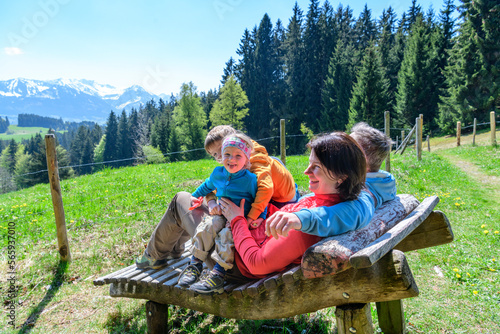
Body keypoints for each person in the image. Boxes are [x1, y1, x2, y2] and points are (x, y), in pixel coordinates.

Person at [135, 125, 297, 274]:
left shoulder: (255, 166)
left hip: (232, 257)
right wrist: (211, 200)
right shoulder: (241, 161)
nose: (221, 157)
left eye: (222, 149)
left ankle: (154, 255)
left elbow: (264, 190)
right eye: (216, 155)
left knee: (181, 199)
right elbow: (215, 185)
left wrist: (247, 218)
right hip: (249, 237)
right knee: (196, 202)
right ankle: (173, 250)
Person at [219, 132, 367, 278]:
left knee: (199, 213)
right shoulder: (323, 201)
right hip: (244, 236)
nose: (306, 171)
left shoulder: (303, 225)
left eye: (316, 167)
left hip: (232, 261)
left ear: (341, 177)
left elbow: (256, 263)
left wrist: (237, 220)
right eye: (309, 163)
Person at [265, 122, 396, 239]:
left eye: (347, 145)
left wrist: (301, 218)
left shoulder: (364, 194)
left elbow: (352, 213)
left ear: (359, 158)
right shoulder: (382, 181)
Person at [177, 133, 266, 294]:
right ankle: (195, 263)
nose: (231, 159)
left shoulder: (249, 179)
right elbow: (206, 186)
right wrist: (195, 196)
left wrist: (259, 217)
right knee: (207, 226)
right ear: (221, 156)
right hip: (220, 214)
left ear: (246, 159)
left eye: (238, 155)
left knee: (227, 235)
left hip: (238, 219)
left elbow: (261, 199)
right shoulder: (217, 173)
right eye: (227, 155)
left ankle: (218, 273)